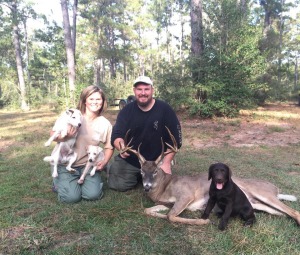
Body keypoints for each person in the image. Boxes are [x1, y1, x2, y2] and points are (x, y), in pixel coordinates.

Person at [108, 76, 182, 192]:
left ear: (152, 90)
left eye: (146, 89)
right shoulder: (126, 111)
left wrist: (166, 162)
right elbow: (117, 134)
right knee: (118, 185)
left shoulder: (165, 109)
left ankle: (145, 174)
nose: (143, 93)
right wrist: (121, 146)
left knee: (164, 187)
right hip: (132, 159)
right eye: (139, 89)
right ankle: (135, 173)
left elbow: (176, 140)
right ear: (134, 91)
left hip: (156, 162)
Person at [50, 86, 114, 203]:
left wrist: (104, 162)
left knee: (93, 195)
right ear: (85, 100)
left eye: (98, 99)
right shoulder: (73, 115)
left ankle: (80, 183)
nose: (95, 102)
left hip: (87, 165)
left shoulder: (105, 124)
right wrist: (66, 136)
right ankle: (58, 182)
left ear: (103, 102)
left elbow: (109, 146)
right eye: (91, 99)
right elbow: (53, 134)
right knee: (71, 198)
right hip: (65, 164)